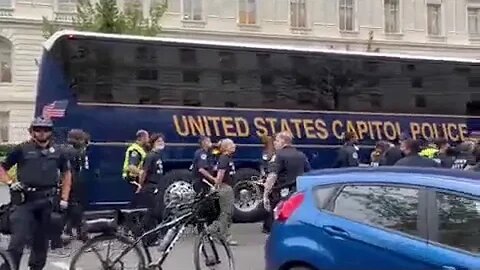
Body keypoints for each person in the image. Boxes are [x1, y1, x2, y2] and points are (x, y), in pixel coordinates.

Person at [0, 117, 72, 270]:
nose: (41, 133)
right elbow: (2, 168)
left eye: (45, 130)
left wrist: (64, 198)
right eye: (37, 129)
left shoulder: (59, 151)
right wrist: (11, 183)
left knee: (41, 243)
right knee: (17, 242)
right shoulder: (22, 149)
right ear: (31, 132)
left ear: (50, 132)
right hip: (25, 201)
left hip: (47, 201)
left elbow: (67, 174)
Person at [263, 132, 310, 230]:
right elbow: (308, 172)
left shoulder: (278, 155)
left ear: (283, 141)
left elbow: (272, 175)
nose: (275, 143)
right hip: (297, 192)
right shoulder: (301, 154)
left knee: (278, 221)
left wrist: (265, 194)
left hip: (281, 194)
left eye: (277, 140)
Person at [62, 129, 90, 242]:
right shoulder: (79, 152)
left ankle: (67, 231)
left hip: (63, 182)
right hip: (76, 182)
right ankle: (82, 234)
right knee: (77, 208)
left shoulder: (62, 150)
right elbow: (84, 168)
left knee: (67, 208)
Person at [208, 139, 237, 246]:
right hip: (225, 188)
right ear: (226, 147)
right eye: (231, 144)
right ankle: (223, 235)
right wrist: (216, 186)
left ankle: (213, 231)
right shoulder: (224, 158)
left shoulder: (227, 158)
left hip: (227, 187)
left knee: (225, 212)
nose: (234, 146)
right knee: (227, 213)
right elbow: (220, 174)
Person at [122, 130, 149, 205]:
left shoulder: (141, 149)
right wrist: (142, 173)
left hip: (136, 180)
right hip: (132, 179)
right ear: (142, 138)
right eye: (147, 137)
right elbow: (131, 166)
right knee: (135, 203)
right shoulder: (135, 150)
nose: (148, 139)